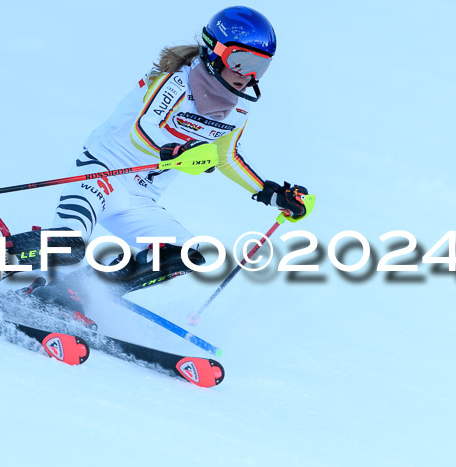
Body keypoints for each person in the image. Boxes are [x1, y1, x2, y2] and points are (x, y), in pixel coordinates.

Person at [35, 6, 309, 303]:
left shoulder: (237, 110)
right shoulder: (177, 81)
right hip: (102, 175)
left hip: (139, 201)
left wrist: (271, 193)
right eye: (241, 61)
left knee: (185, 254)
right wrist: (175, 151)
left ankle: (77, 292)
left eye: (261, 66)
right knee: (68, 243)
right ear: (215, 51)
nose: (249, 75)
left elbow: (226, 157)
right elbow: (142, 128)